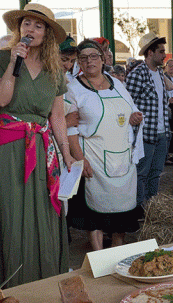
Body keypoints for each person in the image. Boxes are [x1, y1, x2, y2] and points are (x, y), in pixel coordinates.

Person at [0, 2, 76, 287]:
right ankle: (11, 282)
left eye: (38, 26)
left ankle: (43, 281)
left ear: (47, 33)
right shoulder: (1, 58)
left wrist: (67, 154)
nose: (31, 30)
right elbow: (0, 100)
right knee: (12, 214)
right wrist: (14, 61)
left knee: (44, 215)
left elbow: (58, 117)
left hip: (42, 147)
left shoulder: (55, 70)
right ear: (18, 29)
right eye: (26, 24)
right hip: (9, 148)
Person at [65, 39, 144, 251]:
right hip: (94, 157)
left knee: (123, 210)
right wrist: (80, 158)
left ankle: (118, 251)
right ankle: (99, 256)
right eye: (83, 57)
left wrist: (133, 117)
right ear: (78, 62)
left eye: (93, 56)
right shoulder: (73, 89)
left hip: (122, 156)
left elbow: (127, 110)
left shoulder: (117, 83)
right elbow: (70, 128)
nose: (89, 61)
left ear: (103, 59)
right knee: (96, 214)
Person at [126, 32, 173, 207]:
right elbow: (127, 103)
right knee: (142, 173)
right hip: (145, 133)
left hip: (162, 132)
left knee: (155, 172)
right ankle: (139, 208)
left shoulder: (160, 74)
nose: (164, 55)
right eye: (161, 51)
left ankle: (151, 208)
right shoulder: (137, 74)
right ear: (150, 52)